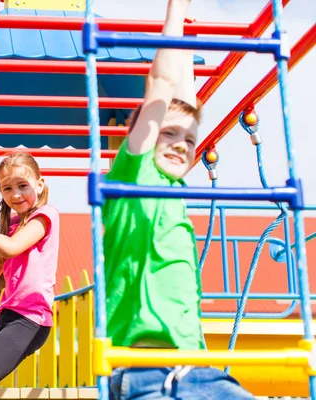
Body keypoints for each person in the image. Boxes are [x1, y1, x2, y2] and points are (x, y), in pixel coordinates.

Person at [102, 0, 254, 398]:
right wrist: (176, 8)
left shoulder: (175, 188)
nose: (181, 145)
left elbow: (186, 99)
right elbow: (163, 85)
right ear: (142, 133)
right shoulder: (133, 175)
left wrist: (186, 27)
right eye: (167, 134)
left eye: (189, 140)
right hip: (148, 370)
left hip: (201, 368)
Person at [0, 152, 60, 400]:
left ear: (39, 184)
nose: (16, 194)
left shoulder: (45, 216)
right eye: (7, 188)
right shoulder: (12, 224)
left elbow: (11, 248)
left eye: (23, 186)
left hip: (30, 319)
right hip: (8, 317)